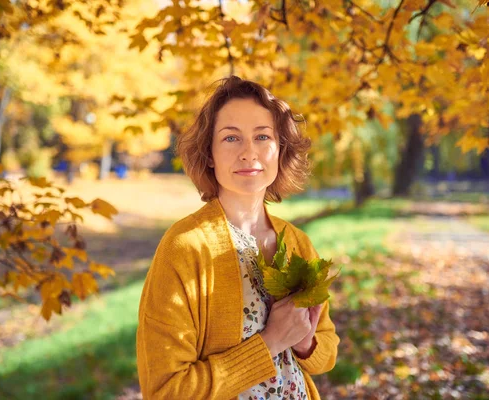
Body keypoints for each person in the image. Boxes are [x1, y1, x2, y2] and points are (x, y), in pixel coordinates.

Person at [136, 76, 339, 399]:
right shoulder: (185, 247)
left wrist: (303, 341)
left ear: (280, 149)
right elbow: (166, 390)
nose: (249, 152)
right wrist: (272, 341)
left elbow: (327, 352)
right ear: (210, 154)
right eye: (231, 138)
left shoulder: (297, 243)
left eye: (262, 136)